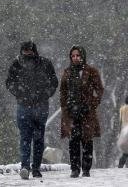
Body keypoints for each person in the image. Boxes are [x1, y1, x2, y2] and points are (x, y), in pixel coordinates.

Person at [6, 41, 58, 179]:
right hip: (24, 106)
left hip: (40, 106)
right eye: (25, 50)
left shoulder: (45, 63)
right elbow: (9, 82)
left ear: (34, 51)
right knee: (25, 137)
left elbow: (54, 82)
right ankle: (25, 166)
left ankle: (35, 168)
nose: (27, 53)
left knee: (38, 138)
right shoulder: (16, 64)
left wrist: (44, 94)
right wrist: (20, 93)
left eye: (29, 50)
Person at [60, 45, 104, 178]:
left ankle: (86, 169)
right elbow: (63, 91)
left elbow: (99, 90)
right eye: (73, 56)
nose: (75, 58)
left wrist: (92, 104)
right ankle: (75, 169)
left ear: (82, 56)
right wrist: (65, 107)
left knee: (87, 141)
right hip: (71, 113)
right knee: (73, 141)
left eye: (78, 55)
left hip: (87, 113)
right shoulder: (67, 72)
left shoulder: (91, 71)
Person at [118, 96, 128, 168]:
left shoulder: (122, 109)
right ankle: (121, 165)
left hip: (124, 130)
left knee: (125, 151)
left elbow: (120, 121)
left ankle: (120, 165)